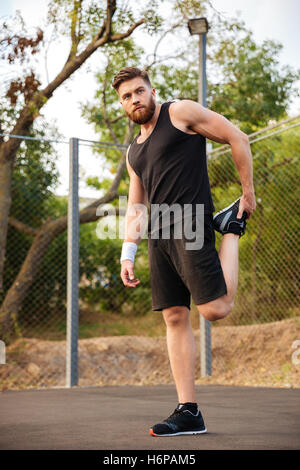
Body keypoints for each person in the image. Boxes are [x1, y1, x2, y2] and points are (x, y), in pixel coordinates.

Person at [112, 67, 256, 437]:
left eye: (139, 91)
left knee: (215, 309)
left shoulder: (179, 113)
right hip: (158, 238)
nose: (134, 99)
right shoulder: (133, 153)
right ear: (122, 104)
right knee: (174, 317)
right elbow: (136, 208)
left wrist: (247, 192)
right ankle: (188, 411)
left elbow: (236, 137)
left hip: (190, 224)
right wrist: (128, 252)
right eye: (127, 96)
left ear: (152, 91)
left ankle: (231, 228)